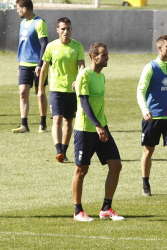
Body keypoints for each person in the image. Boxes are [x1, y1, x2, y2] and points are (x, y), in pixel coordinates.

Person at [72, 42, 124, 222]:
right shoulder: (84, 74)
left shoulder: (101, 76)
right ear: (94, 57)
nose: (108, 57)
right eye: (104, 55)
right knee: (81, 169)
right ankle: (78, 210)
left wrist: (101, 126)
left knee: (116, 165)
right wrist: (97, 125)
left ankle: (106, 208)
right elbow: (84, 102)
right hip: (86, 129)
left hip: (101, 127)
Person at [137, 35, 167, 197]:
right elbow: (140, 91)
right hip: (152, 118)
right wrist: (145, 109)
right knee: (148, 151)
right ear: (159, 48)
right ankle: (145, 184)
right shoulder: (150, 68)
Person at [38, 17, 85, 163]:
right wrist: (40, 89)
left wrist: (78, 82)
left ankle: (63, 152)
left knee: (68, 122)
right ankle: (58, 150)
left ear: (71, 30)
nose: (66, 31)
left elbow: (82, 67)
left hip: (71, 91)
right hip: (56, 90)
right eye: (63, 29)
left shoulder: (77, 47)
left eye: (68, 28)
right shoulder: (51, 46)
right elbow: (44, 69)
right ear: (58, 30)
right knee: (57, 119)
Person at [12, 0, 48, 133]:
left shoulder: (40, 22)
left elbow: (44, 44)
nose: (17, 11)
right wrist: (19, 64)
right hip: (24, 64)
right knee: (22, 93)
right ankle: (24, 125)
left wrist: (40, 64)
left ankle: (43, 124)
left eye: (18, 8)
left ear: (25, 9)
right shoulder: (22, 23)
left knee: (40, 95)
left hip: (37, 65)